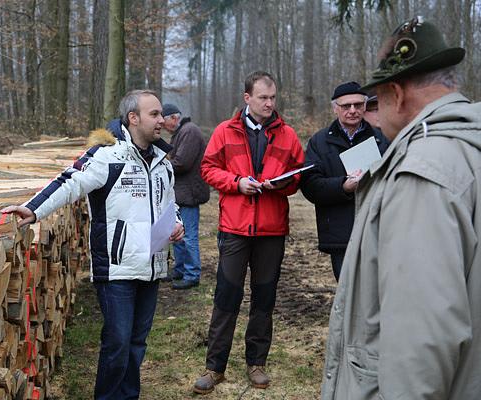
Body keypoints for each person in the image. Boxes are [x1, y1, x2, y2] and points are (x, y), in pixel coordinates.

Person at [322, 17, 481, 399]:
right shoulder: (470, 148)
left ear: (396, 93)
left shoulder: (421, 173)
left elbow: (421, 341)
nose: (372, 113)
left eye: (375, 100)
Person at [1, 89, 184, 400]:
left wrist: (176, 222)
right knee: (118, 343)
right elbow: (69, 182)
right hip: (116, 268)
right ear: (133, 118)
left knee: (137, 343)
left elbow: (170, 203)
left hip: (152, 265)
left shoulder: (162, 163)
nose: (161, 120)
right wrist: (33, 209)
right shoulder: (108, 156)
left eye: (161, 114)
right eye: (154, 114)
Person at [193, 71, 305, 394]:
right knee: (226, 297)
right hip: (235, 228)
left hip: (272, 230)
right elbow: (208, 169)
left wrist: (282, 184)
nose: (269, 103)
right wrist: (236, 183)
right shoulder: (224, 131)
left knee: (264, 298)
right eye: (263, 98)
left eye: (273, 98)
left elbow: (299, 175)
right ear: (247, 98)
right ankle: (215, 368)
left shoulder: (288, 135)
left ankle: (257, 363)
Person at [300, 82, 389, 281]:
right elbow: (310, 185)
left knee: (378, 288)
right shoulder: (319, 142)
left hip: (377, 230)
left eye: (358, 105)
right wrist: (343, 187)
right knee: (347, 289)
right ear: (335, 108)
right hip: (339, 233)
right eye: (346, 106)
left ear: (365, 107)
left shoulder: (382, 139)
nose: (353, 110)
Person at [161, 103, 210, 290]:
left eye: (165, 122)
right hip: (181, 193)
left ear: (174, 118)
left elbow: (182, 163)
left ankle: (192, 274)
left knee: (188, 236)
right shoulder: (181, 133)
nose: (163, 126)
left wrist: (161, 166)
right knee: (177, 235)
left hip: (190, 193)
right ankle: (180, 270)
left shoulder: (189, 131)